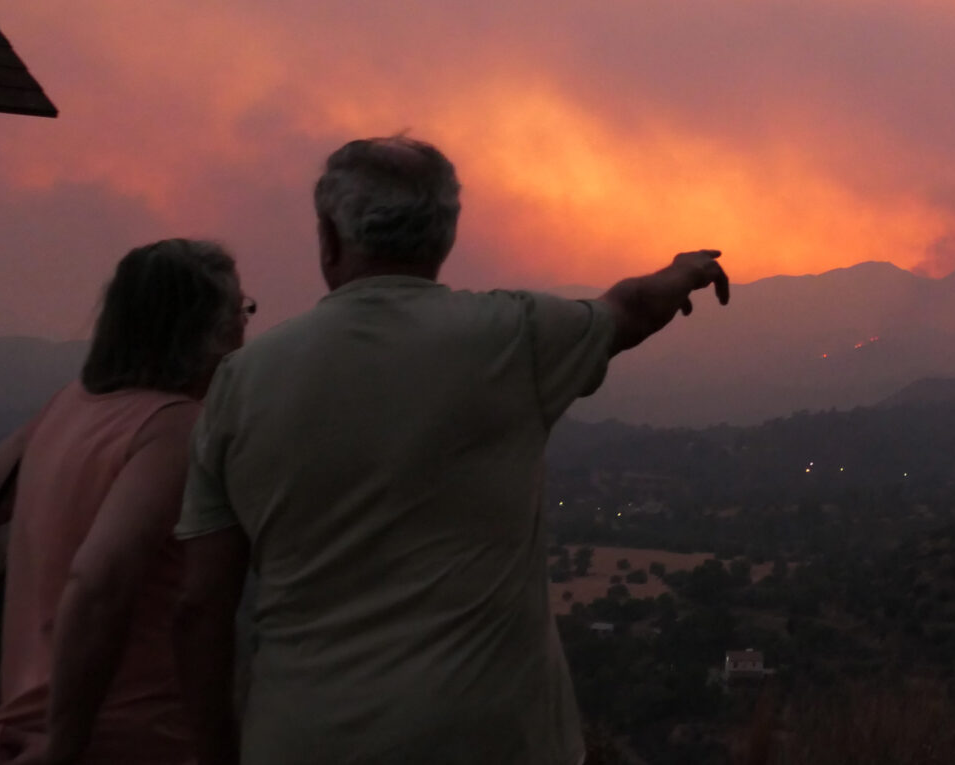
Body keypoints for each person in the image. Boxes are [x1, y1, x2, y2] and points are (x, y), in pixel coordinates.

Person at [174, 136, 727, 765]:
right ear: (447, 235)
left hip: (306, 738)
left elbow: (200, 606)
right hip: (494, 739)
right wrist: (686, 268)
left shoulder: (239, 384)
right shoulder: (517, 338)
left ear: (328, 236)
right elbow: (629, 308)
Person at [0, 240, 253, 765]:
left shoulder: (67, 406)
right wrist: (64, 742)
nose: (244, 330)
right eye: (240, 311)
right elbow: (99, 581)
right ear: (207, 330)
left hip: (11, 726)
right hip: (127, 737)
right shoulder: (173, 429)